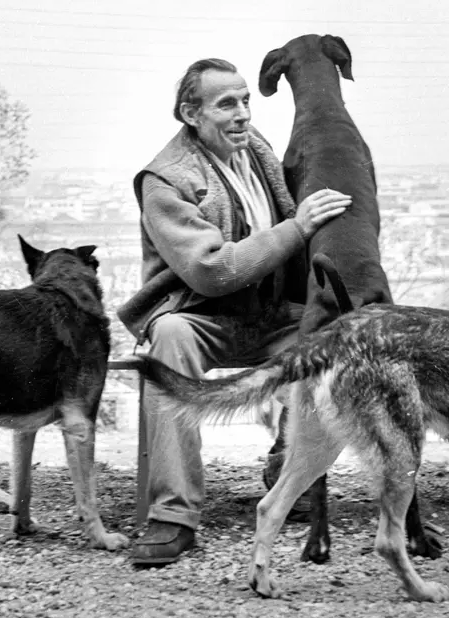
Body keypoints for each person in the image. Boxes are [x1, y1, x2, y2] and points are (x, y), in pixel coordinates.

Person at [117, 58, 351, 566]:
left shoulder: (256, 150)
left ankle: (288, 469)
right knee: (170, 338)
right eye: (227, 104)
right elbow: (210, 270)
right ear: (191, 113)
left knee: (333, 337)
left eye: (246, 100)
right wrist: (298, 228)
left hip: (269, 314)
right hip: (201, 315)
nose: (243, 113)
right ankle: (173, 515)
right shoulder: (165, 180)